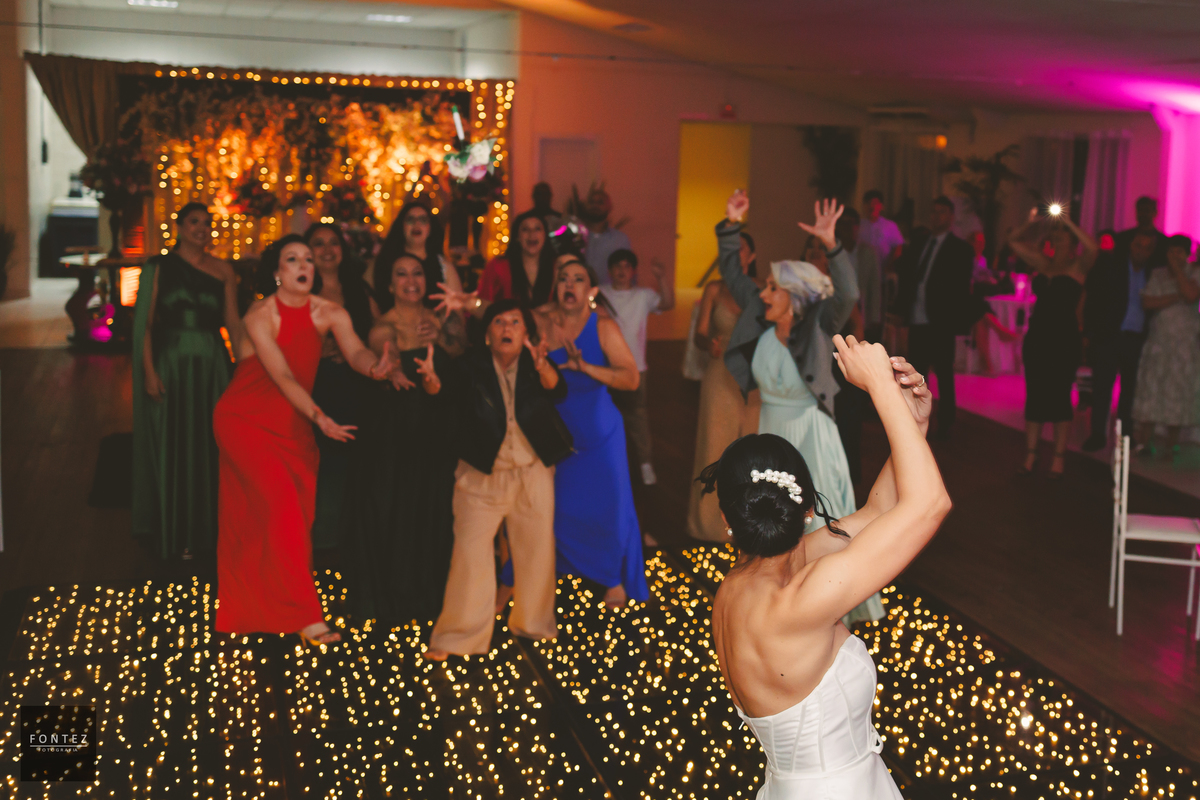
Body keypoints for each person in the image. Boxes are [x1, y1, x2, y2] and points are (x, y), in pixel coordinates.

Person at [704, 336, 951, 800]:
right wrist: (879, 387)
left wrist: (913, 424)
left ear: (726, 518)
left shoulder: (740, 587)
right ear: (807, 510)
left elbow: (878, 513)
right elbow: (929, 505)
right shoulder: (801, 600)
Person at [213, 235, 394, 644]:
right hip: (246, 422)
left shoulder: (330, 312)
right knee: (284, 513)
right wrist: (319, 417)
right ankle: (308, 617)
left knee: (287, 517)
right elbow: (282, 376)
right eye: (292, 259)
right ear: (277, 272)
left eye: (308, 259)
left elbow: (356, 352)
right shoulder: (260, 315)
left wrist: (375, 369)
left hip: (293, 426)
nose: (304, 266)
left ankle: (253, 607)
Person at [718, 191, 881, 624]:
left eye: (774, 287)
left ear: (795, 295)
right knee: (773, 517)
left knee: (817, 522)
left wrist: (831, 243)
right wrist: (731, 225)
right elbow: (732, 273)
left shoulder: (818, 326)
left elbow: (848, 292)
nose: (763, 292)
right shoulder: (758, 317)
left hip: (811, 436)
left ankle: (827, 607)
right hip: (771, 429)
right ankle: (777, 598)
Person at [425, 300, 572, 659]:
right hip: (481, 476)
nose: (507, 328)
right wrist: (431, 383)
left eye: (515, 322)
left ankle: (534, 623)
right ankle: (457, 637)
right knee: (470, 556)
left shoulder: (536, 362)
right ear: (487, 334)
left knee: (536, 552)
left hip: (532, 472)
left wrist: (543, 367)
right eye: (499, 322)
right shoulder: (469, 365)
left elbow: (558, 391)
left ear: (525, 333)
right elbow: (444, 393)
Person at [340, 252, 467, 627]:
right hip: (398, 431)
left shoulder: (441, 318)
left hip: (439, 427)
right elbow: (386, 349)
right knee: (399, 506)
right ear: (390, 285)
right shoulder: (384, 325)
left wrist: (441, 337)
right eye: (401, 274)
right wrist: (391, 367)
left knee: (435, 506)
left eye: (417, 273)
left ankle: (434, 594)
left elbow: (462, 352)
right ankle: (399, 596)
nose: (411, 281)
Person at [534, 258, 649, 608]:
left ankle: (612, 578)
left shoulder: (603, 326)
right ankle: (558, 569)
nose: (570, 285)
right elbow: (501, 321)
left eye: (578, 279)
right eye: (563, 279)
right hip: (557, 434)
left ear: (592, 290)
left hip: (600, 434)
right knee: (559, 507)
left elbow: (631, 378)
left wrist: (585, 367)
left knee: (609, 507)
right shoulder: (540, 321)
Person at [132, 202, 239, 560]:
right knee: (173, 440)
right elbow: (146, 324)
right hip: (172, 362)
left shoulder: (223, 270)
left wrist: (245, 369)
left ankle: (211, 532)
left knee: (212, 442)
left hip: (213, 365)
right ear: (179, 227)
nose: (202, 228)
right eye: (194, 222)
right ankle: (175, 530)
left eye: (207, 223)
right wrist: (149, 371)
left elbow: (233, 323)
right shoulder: (158, 267)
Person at [1006, 209, 1098, 476]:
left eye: (1063, 235)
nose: (1057, 238)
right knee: (1035, 395)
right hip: (1038, 336)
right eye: (1055, 234)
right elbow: (1013, 242)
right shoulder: (1043, 263)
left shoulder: (1078, 266)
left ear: (1072, 241)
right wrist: (1031, 221)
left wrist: (1068, 221)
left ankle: (1058, 457)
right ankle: (1031, 454)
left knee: (1059, 396)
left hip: (1064, 339)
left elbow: (1093, 248)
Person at [304, 222, 377, 550]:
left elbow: (377, 331)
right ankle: (323, 542)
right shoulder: (300, 291)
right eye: (318, 243)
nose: (327, 250)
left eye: (333, 242)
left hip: (357, 385)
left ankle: (352, 540)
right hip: (316, 385)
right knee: (323, 464)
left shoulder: (358, 289)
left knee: (355, 461)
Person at [687, 231, 763, 542]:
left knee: (753, 450)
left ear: (752, 256)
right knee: (715, 446)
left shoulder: (763, 289)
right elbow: (699, 334)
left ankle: (752, 524)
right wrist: (709, 344)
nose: (734, 252)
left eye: (741, 248)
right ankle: (711, 527)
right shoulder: (715, 289)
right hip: (720, 375)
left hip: (756, 376)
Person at [893, 195, 974, 440]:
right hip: (918, 316)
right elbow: (907, 276)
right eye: (934, 211)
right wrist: (901, 309)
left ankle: (946, 420)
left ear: (951, 216)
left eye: (941, 212)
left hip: (941, 320)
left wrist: (954, 319)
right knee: (917, 370)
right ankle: (916, 416)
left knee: (944, 371)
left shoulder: (959, 248)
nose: (936, 216)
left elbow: (960, 288)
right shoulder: (920, 243)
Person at [599, 248, 676, 486]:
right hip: (604, 368)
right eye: (617, 266)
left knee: (637, 417)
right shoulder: (600, 294)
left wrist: (661, 278)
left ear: (633, 271)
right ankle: (606, 464)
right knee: (602, 416)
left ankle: (645, 463)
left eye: (626, 266)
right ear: (609, 271)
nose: (622, 271)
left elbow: (668, 303)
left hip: (636, 368)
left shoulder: (643, 295)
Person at [1082, 229, 1160, 451]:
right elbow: (1093, 297)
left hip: (1136, 338)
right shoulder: (1112, 265)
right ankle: (1097, 434)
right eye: (1138, 245)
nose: (1141, 251)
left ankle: (1126, 433)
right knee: (1102, 387)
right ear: (1130, 245)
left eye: (1147, 247)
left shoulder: (1153, 272)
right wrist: (1088, 332)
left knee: (1130, 390)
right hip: (1109, 334)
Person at [1132, 235, 1200, 456]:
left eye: (1179, 251)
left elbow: (1191, 295)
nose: (1174, 255)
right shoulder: (1158, 273)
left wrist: (1180, 272)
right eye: (1171, 251)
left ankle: (1171, 445)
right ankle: (1146, 443)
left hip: (1183, 345)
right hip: (1158, 342)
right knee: (1151, 390)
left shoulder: (1194, 273)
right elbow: (1147, 302)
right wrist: (1176, 296)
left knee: (1177, 391)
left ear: (1187, 254)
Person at [375, 200, 463, 308]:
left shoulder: (444, 267)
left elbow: (458, 310)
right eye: (410, 220)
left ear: (430, 228)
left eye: (423, 220)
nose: (416, 224)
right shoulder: (384, 261)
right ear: (402, 226)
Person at [477, 210, 557, 307]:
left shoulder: (557, 267)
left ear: (545, 235)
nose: (532, 234)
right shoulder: (497, 267)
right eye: (525, 229)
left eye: (537, 229)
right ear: (517, 236)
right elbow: (484, 305)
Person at [837, 207, 881, 342]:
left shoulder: (867, 253)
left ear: (857, 226)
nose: (847, 228)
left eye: (850, 223)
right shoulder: (832, 254)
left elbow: (874, 287)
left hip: (860, 314)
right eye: (843, 223)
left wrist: (875, 319)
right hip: (837, 314)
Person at [580, 187, 632, 285]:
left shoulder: (620, 240)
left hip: (610, 293)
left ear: (609, 207)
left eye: (600, 202)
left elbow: (629, 272)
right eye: (591, 202)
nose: (595, 205)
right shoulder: (576, 236)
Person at [1112, 196, 1168, 268]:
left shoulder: (1164, 242)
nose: (1143, 214)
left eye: (1146, 211)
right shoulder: (1122, 238)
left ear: (1155, 213)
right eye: (1140, 210)